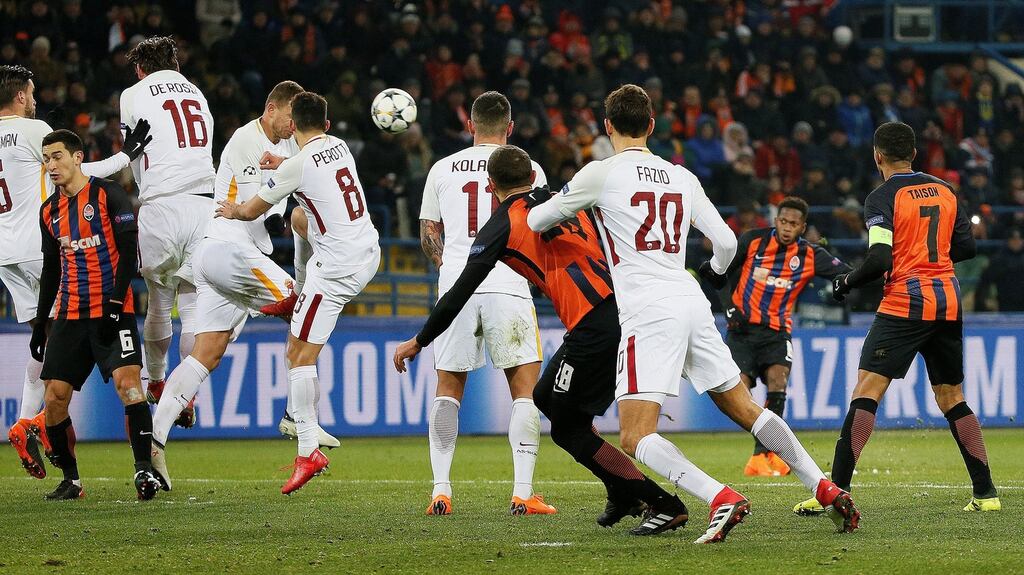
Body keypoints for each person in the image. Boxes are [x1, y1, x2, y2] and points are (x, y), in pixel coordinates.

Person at [527, 84, 860, 542]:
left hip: (647, 310)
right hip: (691, 301)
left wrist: (567, 200)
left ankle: (720, 497)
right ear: (651, 126)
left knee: (635, 437)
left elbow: (536, 221)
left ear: (607, 127)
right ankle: (822, 486)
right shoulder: (682, 177)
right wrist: (715, 272)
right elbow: (726, 243)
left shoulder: (599, 173)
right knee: (744, 407)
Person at [395, 145, 687, 531]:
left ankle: (662, 502)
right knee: (554, 403)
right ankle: (621, 492)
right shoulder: (567, 198)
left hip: (593, 324)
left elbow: (461, 289)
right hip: (626, 308)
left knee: (562, 421)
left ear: (489, 185)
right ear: (534, 177)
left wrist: (420, 340)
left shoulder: (503, 223)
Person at [798, 122, 1001, 514]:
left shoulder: (882, 197)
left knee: (867, 390)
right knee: (952, 396)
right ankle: (986, 494)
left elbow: (878, 260)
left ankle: (835, 491)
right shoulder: (945, 190)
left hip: (905, 302)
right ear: (914, 154)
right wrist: (931, 260)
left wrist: (845, 281)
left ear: (877, 156)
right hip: (948, 301)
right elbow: (967, 247)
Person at [147, 82, 339, 487]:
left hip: (221, 260)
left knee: (206, 353)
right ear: (271, 109)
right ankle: (299, 420)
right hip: (229, 251)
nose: (293, 125)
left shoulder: (289, 148)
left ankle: (155, 443)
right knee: (308, 310)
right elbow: (261, 210)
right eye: (289, 117)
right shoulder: (245, 140)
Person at [215, 92, 380, 495]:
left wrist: (232, 210)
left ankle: (308, 450)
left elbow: (253, 209)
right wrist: (283, 166)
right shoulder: (339, 148)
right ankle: (300, 292)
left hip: (337, 270)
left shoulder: (297, 166)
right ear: (326, 124)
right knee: (299, 217)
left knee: (297, 354)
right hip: (369, 252)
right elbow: (306, 175)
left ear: (291, 127)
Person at [0, 64, 151, 478]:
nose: (34, 99)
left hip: (4, 252)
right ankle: (33, 420)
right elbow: (77, 175)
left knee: (43, 336)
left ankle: (27, 419)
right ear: (19, 96)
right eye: (30, 93)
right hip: (43, 243)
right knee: (62, 326)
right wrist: (125, 156)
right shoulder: (34, 131)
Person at [417, 91, 553, 516]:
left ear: (470, 125)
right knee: (523, 390)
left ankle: (441, 490)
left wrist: (448, 265)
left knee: (448, 387)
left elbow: (427, 233)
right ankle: (522, 492)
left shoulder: (441, 168)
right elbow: (542, 228)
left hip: (457, 282)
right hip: (509, 284)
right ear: (510, 128)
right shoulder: (528, 167)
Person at [30, 129, 161, 500]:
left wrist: (117, 304)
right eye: (46, 159)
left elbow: (129, 250)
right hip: (70, 314)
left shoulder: (107, 194)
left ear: (77, 157)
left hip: (111, 312)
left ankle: (143, 472)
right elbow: (51, 268)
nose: (51, 165)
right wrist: (42, 323)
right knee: (54, 397)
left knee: (129, 386)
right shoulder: (49, 211)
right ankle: (71, 480)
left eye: (57, 156)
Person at [697, 196, 850, 476]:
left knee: (778, 383)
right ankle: (764, 452)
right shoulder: (752, 241)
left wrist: (850, 283)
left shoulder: (811, 255)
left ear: (803, 227)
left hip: (777, 332)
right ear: (775, 221)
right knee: (738, 392)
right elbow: (721, 275)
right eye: (783, 221)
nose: (787, 227)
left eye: (794, 223)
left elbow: (846, 274)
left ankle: (762, 456)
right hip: (741, 330)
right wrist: (729, 309)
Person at [119, 37, 216, 406]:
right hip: (203, 202)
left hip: (161, 201)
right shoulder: (196, 92)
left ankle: (157, 381)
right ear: (174, 64)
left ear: (141, 68)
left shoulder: (133, 93)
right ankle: (185, 395)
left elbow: (133, 152)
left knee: (159, 302)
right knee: (192, 304)